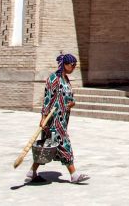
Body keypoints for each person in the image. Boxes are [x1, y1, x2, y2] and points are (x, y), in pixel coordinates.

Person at [27, 53, 90, 184]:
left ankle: (32, 172)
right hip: (54, 120)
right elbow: (47, 99)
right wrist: (43, 117)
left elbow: (69, 97)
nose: (74, 68)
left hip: (63, 119)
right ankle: (74, 174)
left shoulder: (65, 79)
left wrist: (72, 103)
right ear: (65, 65)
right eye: (72, 65)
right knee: (64, 143)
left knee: (47, 147)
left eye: (75, 66)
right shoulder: (53, 79)